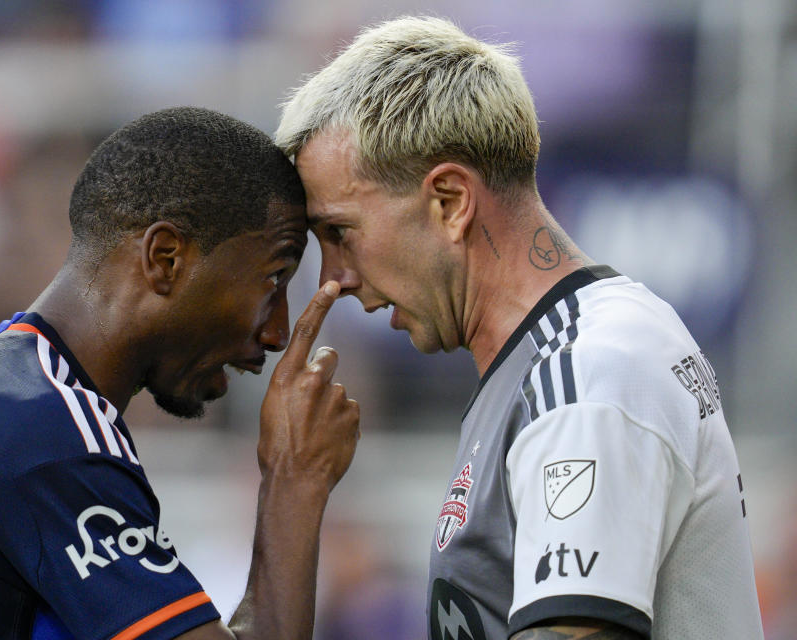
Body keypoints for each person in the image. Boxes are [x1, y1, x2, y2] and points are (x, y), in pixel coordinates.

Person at [275, 16, 763, 640]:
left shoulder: (588, 369)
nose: (334, 276)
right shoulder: (547, 365)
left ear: (450, 201)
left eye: (339, 233)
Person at [0, 107, 360, 640]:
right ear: (165, 257)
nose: (276, 332)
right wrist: (294, 479)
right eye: (274, 280)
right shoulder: (44, 435)